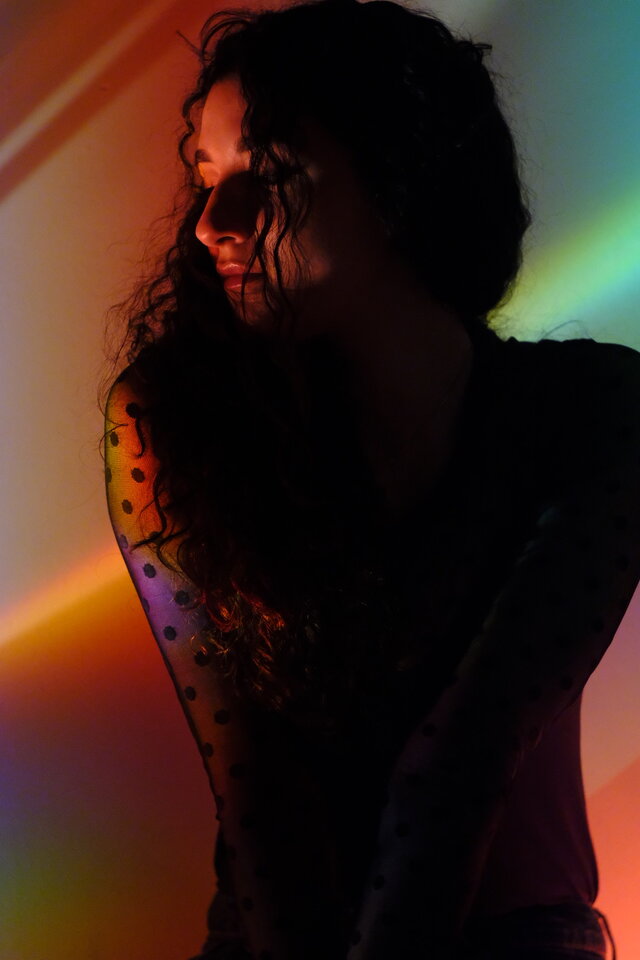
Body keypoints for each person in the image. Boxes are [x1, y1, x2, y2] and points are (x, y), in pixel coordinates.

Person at [102, 1, 639, 957]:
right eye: (207, 177)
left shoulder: (600, 409)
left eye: (270, 174)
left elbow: (463, 759)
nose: (211, 225)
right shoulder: (174, 423)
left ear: (401, 183)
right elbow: (258, 796)